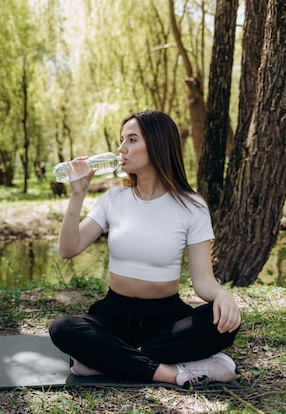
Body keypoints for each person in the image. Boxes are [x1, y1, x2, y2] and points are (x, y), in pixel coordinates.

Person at [48, 110, 241, 387]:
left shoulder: (193, 206)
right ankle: (172, 373)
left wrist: (223, 295)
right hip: (113, 313)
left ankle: (104, 361)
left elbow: (203, 282)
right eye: (121, 140)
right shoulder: (113, 198)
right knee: (63, 329)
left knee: (222, 322)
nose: (121, 148)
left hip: (165, 318)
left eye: (131, 140)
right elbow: (68, 249)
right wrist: (77, 195)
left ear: (157, 144)